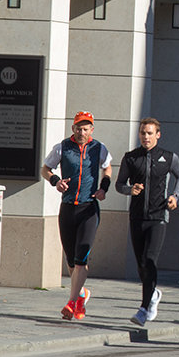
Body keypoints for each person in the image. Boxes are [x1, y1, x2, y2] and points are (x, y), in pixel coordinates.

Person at [115, 117, 179, 326]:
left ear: (158, 135)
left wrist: (175, 196)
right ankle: (153, 294)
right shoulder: (131, 158)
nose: (145, 137)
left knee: (149, 260)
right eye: (142, 133)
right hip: (137, 216)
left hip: (158, 216)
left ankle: (143, 309)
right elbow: (119, 184)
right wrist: (130, 190)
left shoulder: (168, 157)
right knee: (141, 265)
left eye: (149, 133)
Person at [42, 111, 113, 320]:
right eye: (78, 128)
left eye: (86, 128)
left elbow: (107, 169)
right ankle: (82, 294)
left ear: (91, 129)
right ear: (73, 129)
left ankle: (72, 302)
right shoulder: (63, 147)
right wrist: (56, 181)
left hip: (88, 208)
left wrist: (104, 188)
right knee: (71, 260)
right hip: (67, 208)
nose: (82, 132)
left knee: (81, 257)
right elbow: (45, 168)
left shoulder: (99, 148)